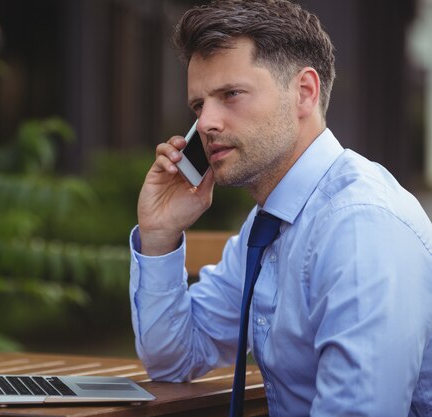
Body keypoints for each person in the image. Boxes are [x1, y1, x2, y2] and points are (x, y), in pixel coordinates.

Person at [128, 0, 432, 416]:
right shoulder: (270, 223)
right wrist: (160, 235)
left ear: (304, 92)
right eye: (199, 105)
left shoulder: (361, 225)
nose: (207, 123)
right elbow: (173, 358)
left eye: (230, 94)